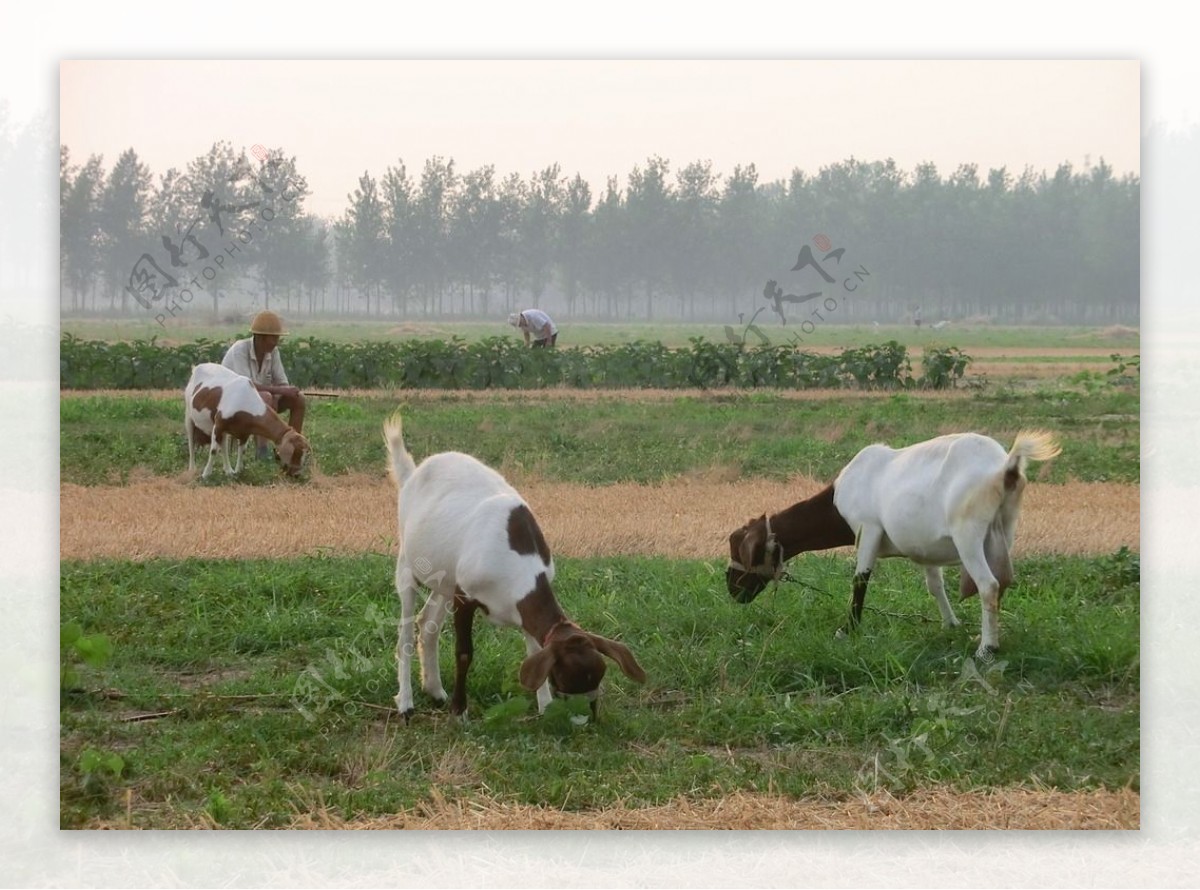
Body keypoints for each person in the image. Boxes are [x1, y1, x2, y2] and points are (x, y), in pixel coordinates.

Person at [221, 310, 306, 457]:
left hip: (260, 400)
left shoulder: (273, 352)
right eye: (272, 338)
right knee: (265, 397)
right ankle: (262, 451)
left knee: (298, 399)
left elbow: (281, 383)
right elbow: (246, 386)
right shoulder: (240, 350)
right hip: (232, 404)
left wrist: (283, 392)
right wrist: (276, 392)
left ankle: (291, 447)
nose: (276, 342)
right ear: (259, 337)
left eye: (277, 338)